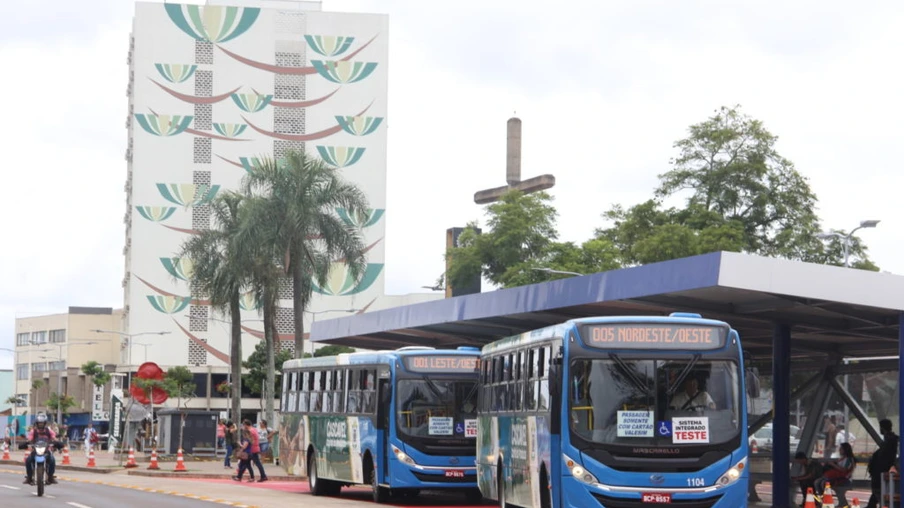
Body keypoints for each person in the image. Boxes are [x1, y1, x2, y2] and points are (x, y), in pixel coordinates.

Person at [867, 419, 899, 508]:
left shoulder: (890, 441)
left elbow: (885, 458)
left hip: (881, 472)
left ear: (882, 428)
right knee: (877, 493)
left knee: (878, 492)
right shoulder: (890, 440)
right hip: (880, 472)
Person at [23, 413, 60, 485]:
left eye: (42, 423)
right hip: (35, 451)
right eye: (39, 423)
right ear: (37, 423)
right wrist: (26, 442)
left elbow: (54, 438)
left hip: (46, 451)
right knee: (28, 460)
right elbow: (29, 439)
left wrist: (57, 442)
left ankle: (50, 477)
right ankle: (29, 477)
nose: (40, 425)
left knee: (52, 460)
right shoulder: (33, 431)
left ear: (45, 423)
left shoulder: (49, 431)